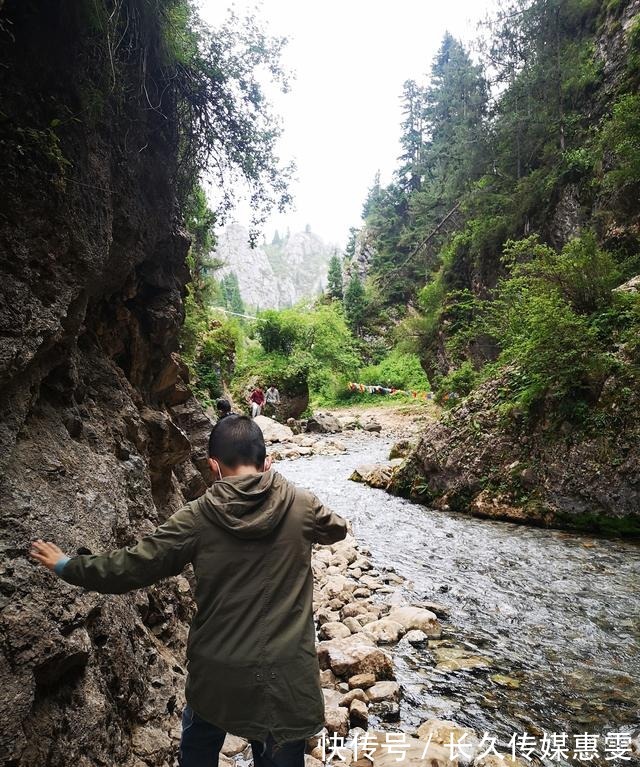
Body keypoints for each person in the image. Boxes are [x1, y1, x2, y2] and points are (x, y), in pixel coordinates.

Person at [30, 415, 347, 767]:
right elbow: (337, 529)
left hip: (217, 674)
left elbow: (130, 567)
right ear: (267, 461)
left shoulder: (196, 518)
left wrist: (65, 564)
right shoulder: (302, 505)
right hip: (286, 677)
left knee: (198, 750)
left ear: (213, 466)